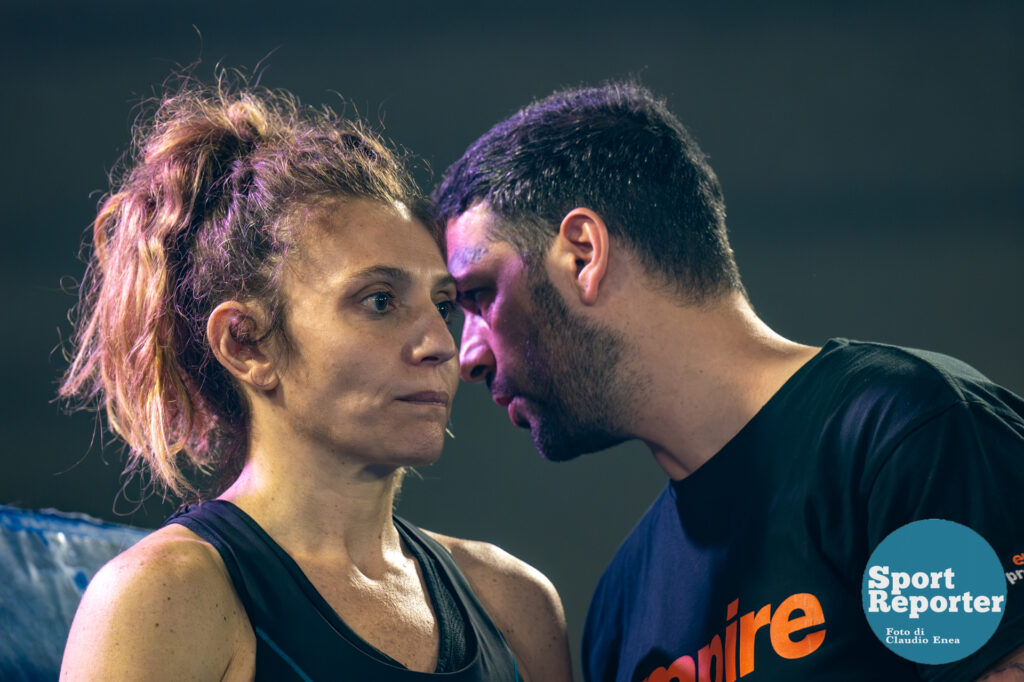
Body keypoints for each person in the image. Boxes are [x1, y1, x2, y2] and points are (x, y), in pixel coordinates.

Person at [433, 82, 1024, 681]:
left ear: (583, 254)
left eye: (479, 295)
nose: (467, 357)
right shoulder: (620, 606)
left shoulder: (904, 438)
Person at [58, 74, 572, 682]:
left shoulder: (514, 604)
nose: (440, 344)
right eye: (380, 301)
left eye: (441, 304)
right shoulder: (165, 599)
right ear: (246, 344)